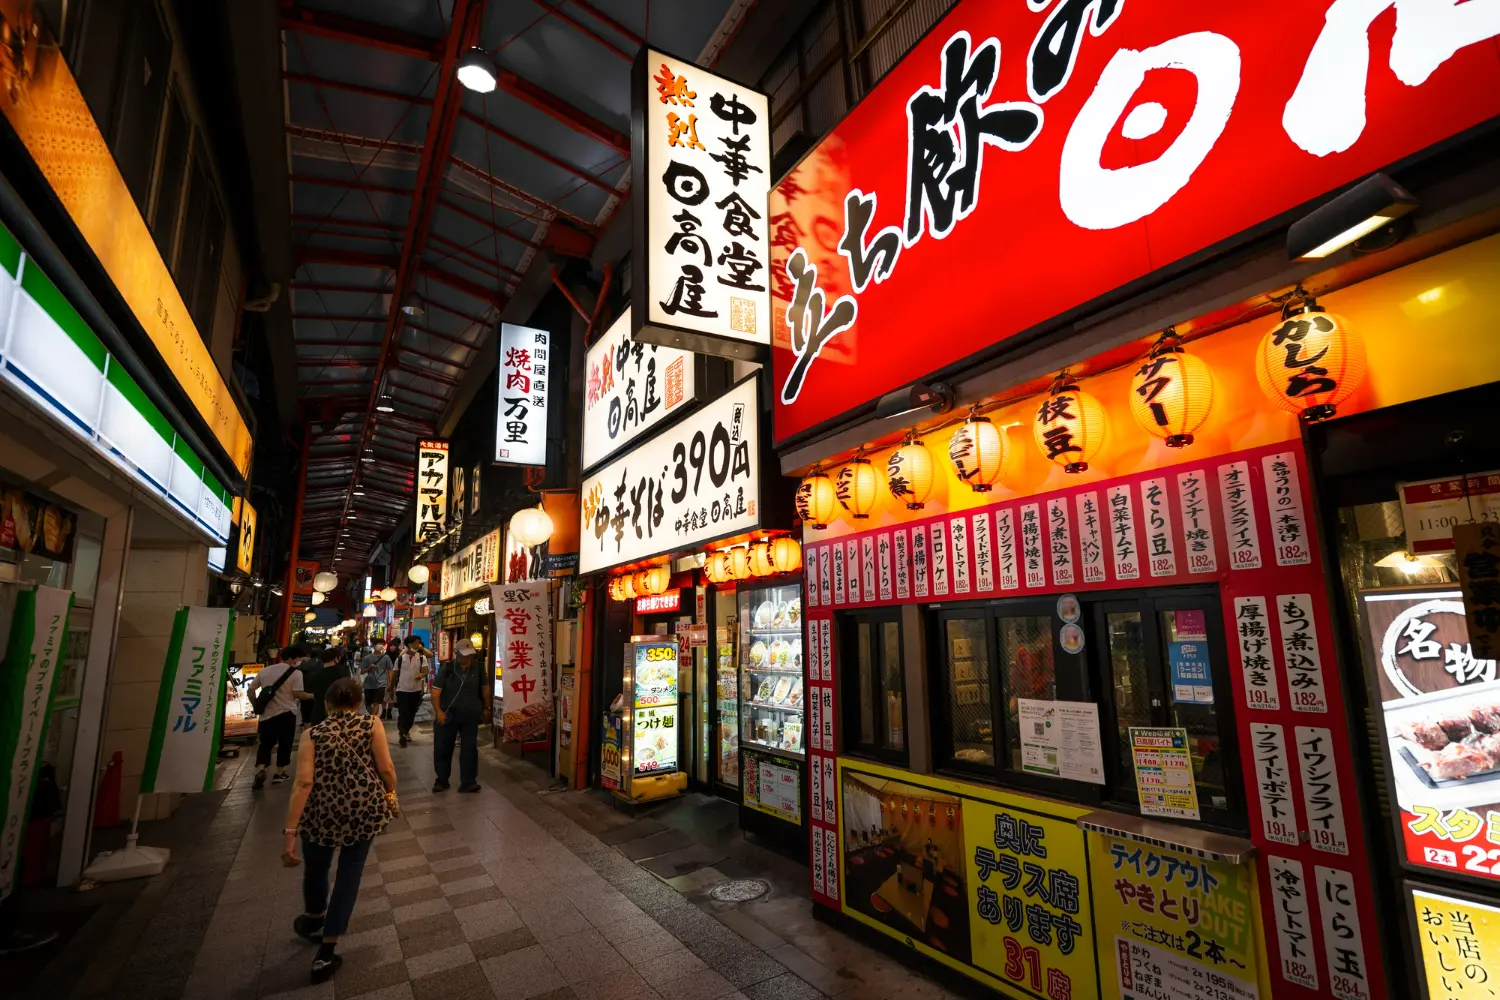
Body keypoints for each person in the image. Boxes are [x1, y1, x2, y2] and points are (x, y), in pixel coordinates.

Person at [282, 677, 397, 985]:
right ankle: (327, 950)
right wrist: (391, 790)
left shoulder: (312, 734)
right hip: (363, 812)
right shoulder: (372, 724)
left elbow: (303, 783)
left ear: (326, 704)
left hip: (320, 813)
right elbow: (385, 768)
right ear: (358, 704)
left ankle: (314, 918)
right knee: (349, 875)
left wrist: (290, 831)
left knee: (316, 868)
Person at [430, 637, 491, 793]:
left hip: (470, 715)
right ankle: (442, 780)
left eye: (469, 654)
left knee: (469, 748)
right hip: (448, 715)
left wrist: (486, 708)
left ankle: (469, 782)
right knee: (443, 748)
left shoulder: (477, 668)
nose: (466, 658)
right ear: (456, 653)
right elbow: (436, 692)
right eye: (463, 654)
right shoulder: (448, 668)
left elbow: (485, 690)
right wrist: (438, 712)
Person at [248, 645, 314, 789]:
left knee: (265, 744)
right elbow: (298, 694)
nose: (298, 662)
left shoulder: (265, 670)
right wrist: (314, 696)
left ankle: (261, 769)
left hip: (267, 715)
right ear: (291, 658)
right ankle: (280, 772)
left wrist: (257, 705)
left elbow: (250, 690)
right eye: (297, 659)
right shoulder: (296, 674)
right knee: (285, 743)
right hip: (287, 713)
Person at [389, 635, 430, 747]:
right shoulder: (401, 658)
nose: (419, 644)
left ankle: (405, 730)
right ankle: (402, 732)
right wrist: (391, 688)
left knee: (411, 713)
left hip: (416, 690)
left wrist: (421, 675)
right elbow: (395, 674)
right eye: (416, 642)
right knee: (404, 711)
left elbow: (426, 671)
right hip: (402, 689)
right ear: (410, 644)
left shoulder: (422, 658)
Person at [304, 646, 352, 727]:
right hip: (339, 713)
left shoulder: (315, 673)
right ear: (336, 658)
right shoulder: (343, 671)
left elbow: (308, 692)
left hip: (318, 712)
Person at [358, 644, 390, 716]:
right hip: (369, 684)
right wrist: (369, 668)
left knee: (377, 703)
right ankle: (372, 717)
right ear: (374, 647)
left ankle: (373, 719)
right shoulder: (367, 658)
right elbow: (362, 672)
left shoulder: (386, 658)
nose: (379, 646)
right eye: (378, 644)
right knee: (368, 703)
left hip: (381, 683)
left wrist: (390, 684)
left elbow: (390, 670)